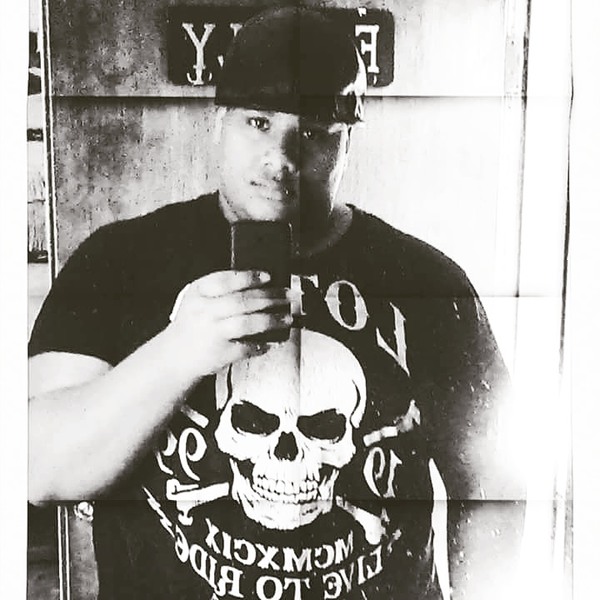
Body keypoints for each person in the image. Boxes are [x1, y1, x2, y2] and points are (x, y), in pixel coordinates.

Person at [28, 7, 524, 600]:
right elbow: (39, 468)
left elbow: (494, 491)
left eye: (314, 133)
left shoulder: (429, 283)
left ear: (347, 141)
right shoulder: (118, 261)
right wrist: (177, 352)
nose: (282, 158)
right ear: (218, 123)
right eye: (258, 123)